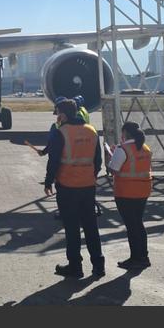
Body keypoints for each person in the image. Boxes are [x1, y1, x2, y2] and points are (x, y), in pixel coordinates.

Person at [43, 98, 104, 279]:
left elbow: (53, 161)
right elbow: (98, 161)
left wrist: (48, 181)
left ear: (62, 114)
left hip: (68, 187)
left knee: (72, 228)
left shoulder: (61, 132)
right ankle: (98, 266)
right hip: (88, 186)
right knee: (91, 227)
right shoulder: (92, 131)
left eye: (57, 113)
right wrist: (90, 175)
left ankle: (75, 267)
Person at [108, 121, 152, 270]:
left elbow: (113, 169)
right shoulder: (145, 148)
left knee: (132, 227)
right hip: (143, 190)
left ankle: (136, 258)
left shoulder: (123, 149)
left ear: (125, 133)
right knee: (138, 224)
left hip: (126, 191)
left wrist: (113, 155)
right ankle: (143, 256)